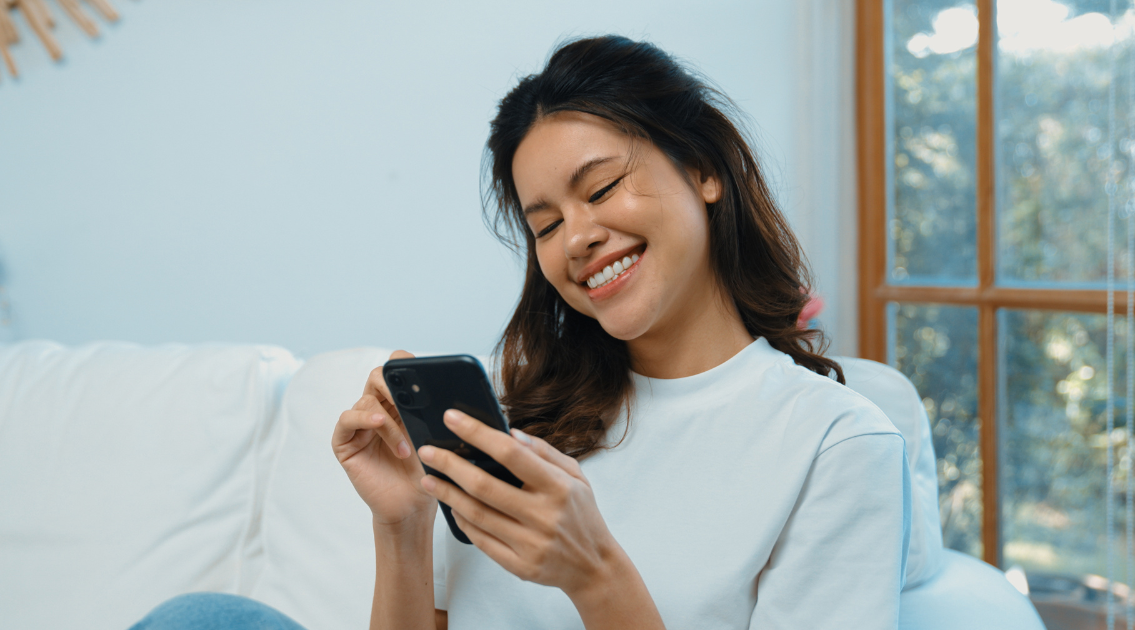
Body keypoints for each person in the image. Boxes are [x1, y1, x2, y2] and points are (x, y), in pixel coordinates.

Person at [130, 34, 909, 630]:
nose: (579, 239)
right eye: (546, 225)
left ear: (705, 170)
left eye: (602, 187)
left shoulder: (836, 445)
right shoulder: (515, 414)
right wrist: (402, 525)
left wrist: (596, 576)